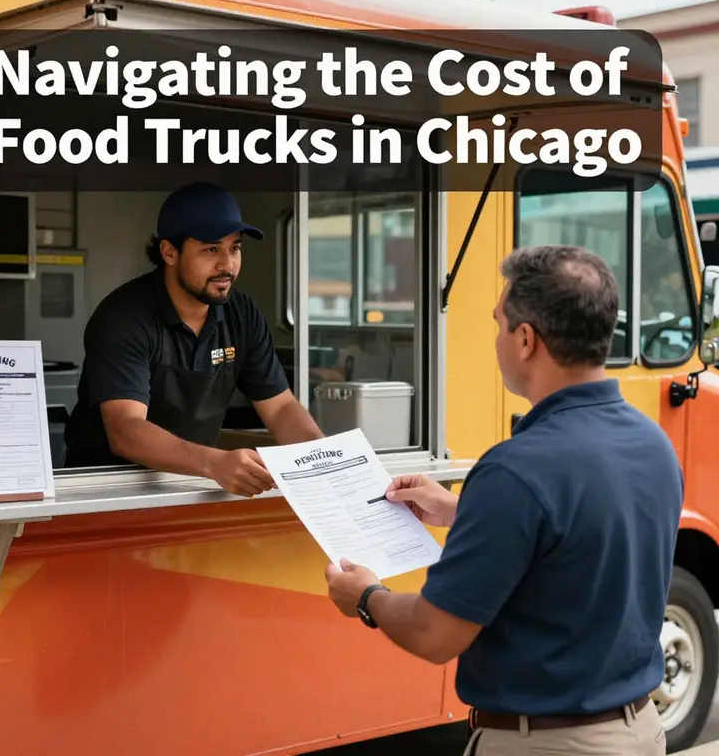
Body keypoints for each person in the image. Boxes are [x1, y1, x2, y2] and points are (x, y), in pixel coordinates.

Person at [324, 245, 684, 755]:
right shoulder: (652, 445)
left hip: (548, 745)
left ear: (525, 339)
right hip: (641, 731)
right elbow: (582, 539)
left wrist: (365, 597)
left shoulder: (515, 471)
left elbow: (435, 635)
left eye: (498, 324)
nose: (496, 340)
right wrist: (462, 512)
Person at [64, 182, 324, 496]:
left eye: (235, 248)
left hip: (189, 484)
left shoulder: (241, 313)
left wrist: (322, 458)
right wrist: (215, 463)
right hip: (105, 490)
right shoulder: (124, 318)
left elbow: (281, 407)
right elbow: (126, 430)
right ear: (169, 252)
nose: (227, 264)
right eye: (211, 249)